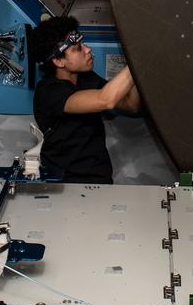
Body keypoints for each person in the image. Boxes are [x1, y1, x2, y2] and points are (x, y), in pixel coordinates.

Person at [27, 16, 140, 184]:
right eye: (78, 48)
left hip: (100, 178)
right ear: (59, 61)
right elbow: (106, 100)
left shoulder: (88, 79)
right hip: (65, 184)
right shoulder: (49, 92)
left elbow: (131, 106)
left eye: (84, 44)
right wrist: (138, 56)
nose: (88, 49)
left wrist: (140, 68)